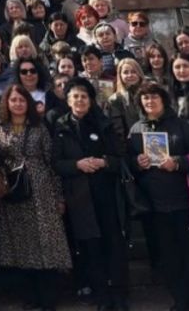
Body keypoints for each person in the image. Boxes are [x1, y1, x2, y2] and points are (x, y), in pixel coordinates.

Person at [128, 81, 189, 311]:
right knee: (170, 260)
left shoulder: (181, 126)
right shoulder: (136, 130)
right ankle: (180, 301)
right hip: (155, 207)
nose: (150, 102)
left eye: (154, 97)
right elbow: (129, 164)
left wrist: (178, 162)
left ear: (163, 100)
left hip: (185, 202)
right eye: (145, 99)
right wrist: (137, 162)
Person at [53, 78, 129, 311]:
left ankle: (120, 296)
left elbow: (120, 159)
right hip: (80, 199)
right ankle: (102, 298)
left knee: (114, 248)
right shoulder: (60, 127)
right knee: (91, 250)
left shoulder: (103, 124)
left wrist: (104, 161)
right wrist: (77, 165)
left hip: (106, 196)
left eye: (84, 96)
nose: (79, 100)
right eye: (75, 96)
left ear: (91, 100)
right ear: (67, 101)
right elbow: (55, 163)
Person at [0, 84, 70, 311]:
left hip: (41, 190)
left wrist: (58, 196)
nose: (17, 104)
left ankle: (49, 297)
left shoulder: (39, 128)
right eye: (13, 100)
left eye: (21, 100)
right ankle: (30, 296)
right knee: (21, 245)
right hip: (14, 192)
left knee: (46, 244)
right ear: (6, 103)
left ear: (28, 103)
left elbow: (51, 161)